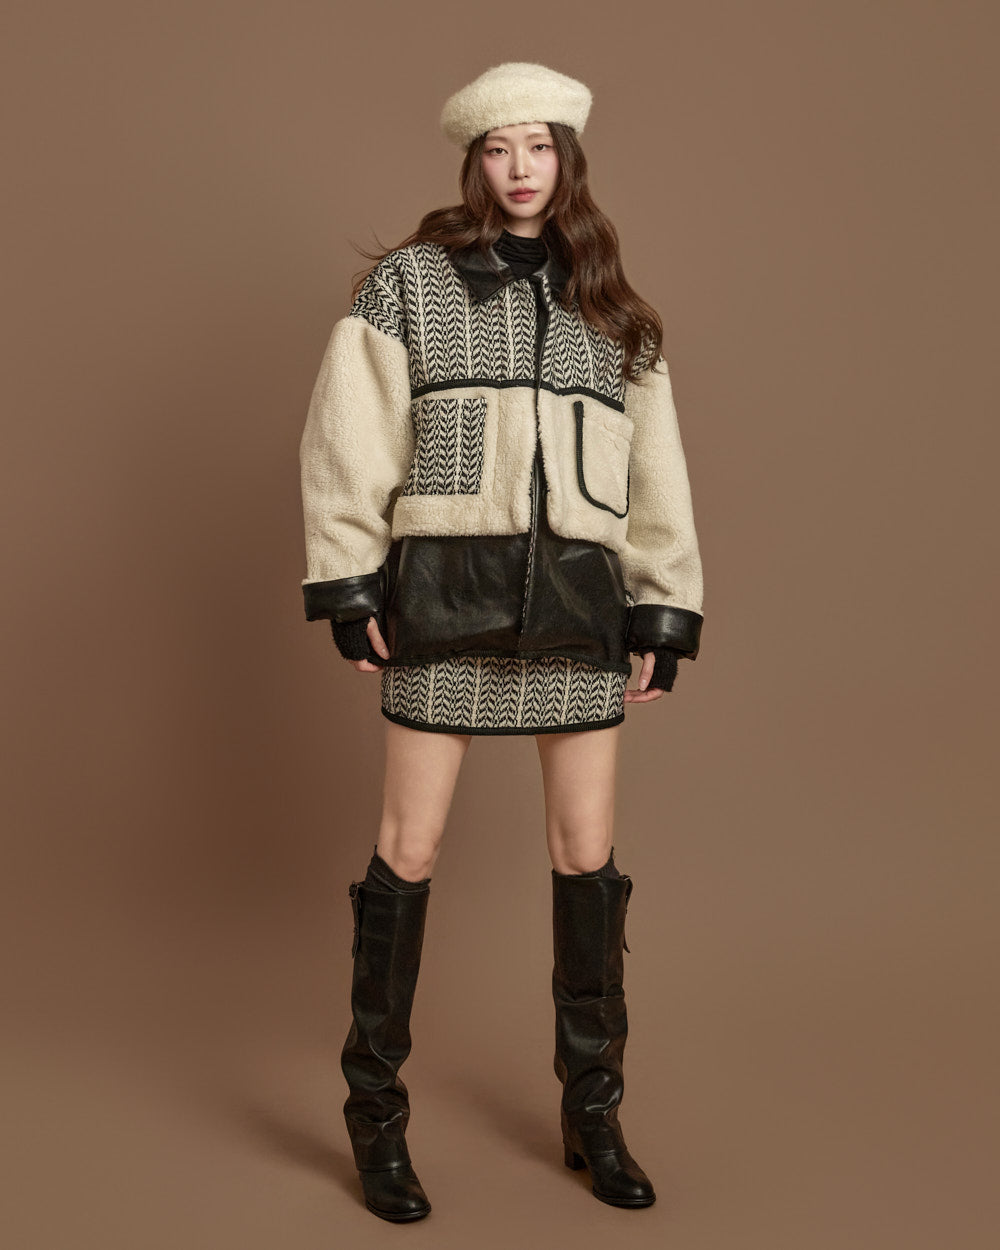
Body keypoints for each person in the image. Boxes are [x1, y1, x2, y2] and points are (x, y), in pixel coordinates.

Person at [297, 61, 705, 1222]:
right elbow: (346, 439)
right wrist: (349, 584)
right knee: (407, 849)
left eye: (538, 146)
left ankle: (594, 1114)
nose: (519, 167)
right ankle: (375, 1115)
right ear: (472, 159)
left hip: (576, 610)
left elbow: (655, 474)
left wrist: (661, 603)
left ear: (566, 158)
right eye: (497, 146)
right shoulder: (409, 287)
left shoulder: (613, 308)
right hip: (445, 604)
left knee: (587, 857)